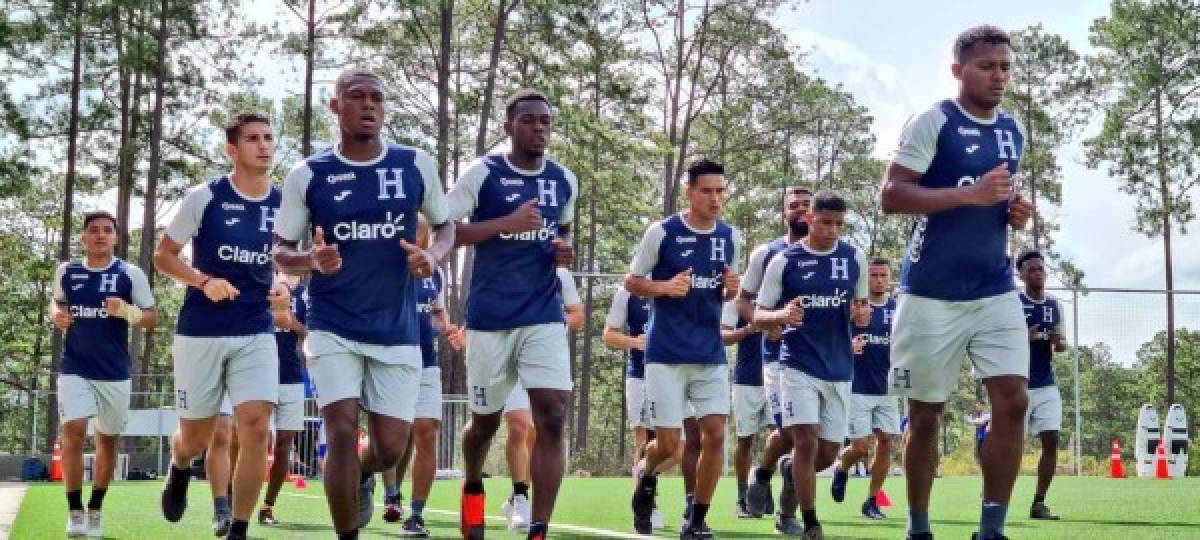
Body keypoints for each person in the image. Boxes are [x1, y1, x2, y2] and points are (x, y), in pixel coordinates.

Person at [272, 69, 455, 540]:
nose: (369, 105)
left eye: (376, 98)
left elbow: (445, 226)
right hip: (332, 325)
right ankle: (346, 533)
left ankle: (365, 474)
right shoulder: (308, 174)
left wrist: (431, 257)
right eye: (356, 97)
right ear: (335, 106)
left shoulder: (415, 164)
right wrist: (311, 259)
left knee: (391, 447)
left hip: (396, 329)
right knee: (340, 430)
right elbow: (279, 249)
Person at [880, 24, 1034, 540]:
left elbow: (996, 198)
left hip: (994, 289)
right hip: (930, 295)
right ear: (958, 70)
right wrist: (968, 196)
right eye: (987, 66)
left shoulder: (1012, 129)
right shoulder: (934, 122)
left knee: (1014, 401)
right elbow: (893, 195)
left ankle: (991, 529)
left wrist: (1013, 212)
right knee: (926, 416)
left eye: (1005, 66)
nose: (999, 75)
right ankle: (918, 527)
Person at [447, 89, 576, 540]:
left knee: (553, 415)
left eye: (545, 121)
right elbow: (443, 229)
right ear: (509, 126)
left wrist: (563, 249)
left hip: (543, 313)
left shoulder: (563, 179)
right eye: (529, 121)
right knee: (484, 423)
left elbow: (561, 231)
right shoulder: (483, 173)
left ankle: (538, 528)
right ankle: (472, 485)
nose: (539, 128)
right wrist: (504, 223)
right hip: (489, 318)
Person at [154, 113, 288, 540]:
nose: (264, 145)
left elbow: (289, 263)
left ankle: (239, 529)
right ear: (233, 150)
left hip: (256, 330)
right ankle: (178, 469)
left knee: (256, 425)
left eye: (269, 138)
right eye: (253, 139)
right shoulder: (204, 196)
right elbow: (164, 256)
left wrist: (284, 284)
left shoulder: (285, 204)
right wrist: (203, 281)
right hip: (202, 331)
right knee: (194, 436)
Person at [626, 159, 741, 539]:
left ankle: (696, 520)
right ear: (689, 192)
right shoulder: (662, 233)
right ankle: (645, 474)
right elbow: (632, 280)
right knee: (670, 444)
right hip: (665, 355)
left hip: (709, 353)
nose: (715, 198)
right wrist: (663, 288)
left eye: (720, 191)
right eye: (707, 190)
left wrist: (731, 289)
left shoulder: (730, 236)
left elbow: (726, 292)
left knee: (715, 435)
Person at [755, 191, 870, 539]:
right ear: (809, 219)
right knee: (805, 440)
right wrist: (780, 315)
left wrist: (861, 315)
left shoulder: (854, 258)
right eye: (825, 222)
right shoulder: (784, 261)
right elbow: (759, 313)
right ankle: (811, 522)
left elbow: (861, 308)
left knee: (826, 455)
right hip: (797, 363)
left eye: (838, 224)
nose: (832, 230)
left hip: (838, 367)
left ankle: (790, 472)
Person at [52, 210, 158, 538]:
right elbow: (58, 302)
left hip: (114, 373)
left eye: (107, 230)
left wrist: (125, 310)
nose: (100, 235)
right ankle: (74, 510)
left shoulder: (130, 274)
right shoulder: (66, 271)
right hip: (75, 367)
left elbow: (152, 319)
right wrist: (57, 314)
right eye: (93, 230)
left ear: (116, 238)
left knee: (107, 441)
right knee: (72, 431)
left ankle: (96, 509)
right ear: (84, 238)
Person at [380, 216, 466, 537]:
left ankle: (415, 515)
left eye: (423, 234)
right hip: (391, 360)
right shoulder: (386, 271)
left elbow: (437, 311)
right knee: (392, 438)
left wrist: (447, 327)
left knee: (426, 432)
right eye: (412, 233)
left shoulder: (437, 274)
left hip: (427, 362)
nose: (418, 239)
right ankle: (385, 489)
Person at [741, 186, 812, 518]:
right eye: (793, 206)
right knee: (790, 433)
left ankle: (770, 477)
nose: (800, 210)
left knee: (816, 442)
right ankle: (783, 504)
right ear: (784, 213)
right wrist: (764, 322)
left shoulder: (836, 254)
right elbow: (745, 302)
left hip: (822, 359)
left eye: (805, 205)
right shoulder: (765, 254)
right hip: (778, 356)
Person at [500, 267, 585, 532]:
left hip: (546, 357)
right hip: (509, 355)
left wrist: (550, 324)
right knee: (517, 425)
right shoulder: (505, 268)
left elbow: (577, 315)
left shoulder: (561, 275)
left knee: (539, 432)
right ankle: (521, 497)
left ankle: (522, 499)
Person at [830, 258, 900, 520]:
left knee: (885, 442)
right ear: (865, 278)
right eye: (874, 275)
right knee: (860, 448)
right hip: (857, 387)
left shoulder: (897, 308)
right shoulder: (855, 308)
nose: (879, 280)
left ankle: (872, 500)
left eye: (884, 275)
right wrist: (848, 347)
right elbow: (833, 340)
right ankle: (841, 466)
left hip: (888, 389)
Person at [603, 286, 672, 531]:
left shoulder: (673, 286)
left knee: (670, 445)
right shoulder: (627, 293)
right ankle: (644, 505)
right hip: (639, 376)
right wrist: (634, 342)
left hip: (671, 375)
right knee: (643, 439)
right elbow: (609, 335)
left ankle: (648, 484)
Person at [1016, 250, 1066, 520]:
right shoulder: (1013, 302)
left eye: (1041, 269)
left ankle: (1039, 502)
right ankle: (994, 496)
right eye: (1032, 269)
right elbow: (1000, 339)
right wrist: (1025, 336)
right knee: (1012, 443)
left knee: (1052, 439)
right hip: (1016, 383)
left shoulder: (1055, 305)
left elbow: (1062, 346)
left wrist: (1058, 342)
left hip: (1046, 383)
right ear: (1021, 274)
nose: (1038, 273)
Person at [257, 273, 309, 526]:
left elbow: (310, 332)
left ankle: (267, 507)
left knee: (284, 444)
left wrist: (292, 323)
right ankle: (235, 501)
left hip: (291, 375)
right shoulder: (262, 283)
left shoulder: (306, 294)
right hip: (258, 372)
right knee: (253, 440)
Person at [719, 300, 770, 519]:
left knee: (781, 437)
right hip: (746, 382)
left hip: (779, 378)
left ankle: (762, 483)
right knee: (745, 441)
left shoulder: (786, 292)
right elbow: (724, 336)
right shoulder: (739, 302)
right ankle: (742, 496)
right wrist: (748, 329)